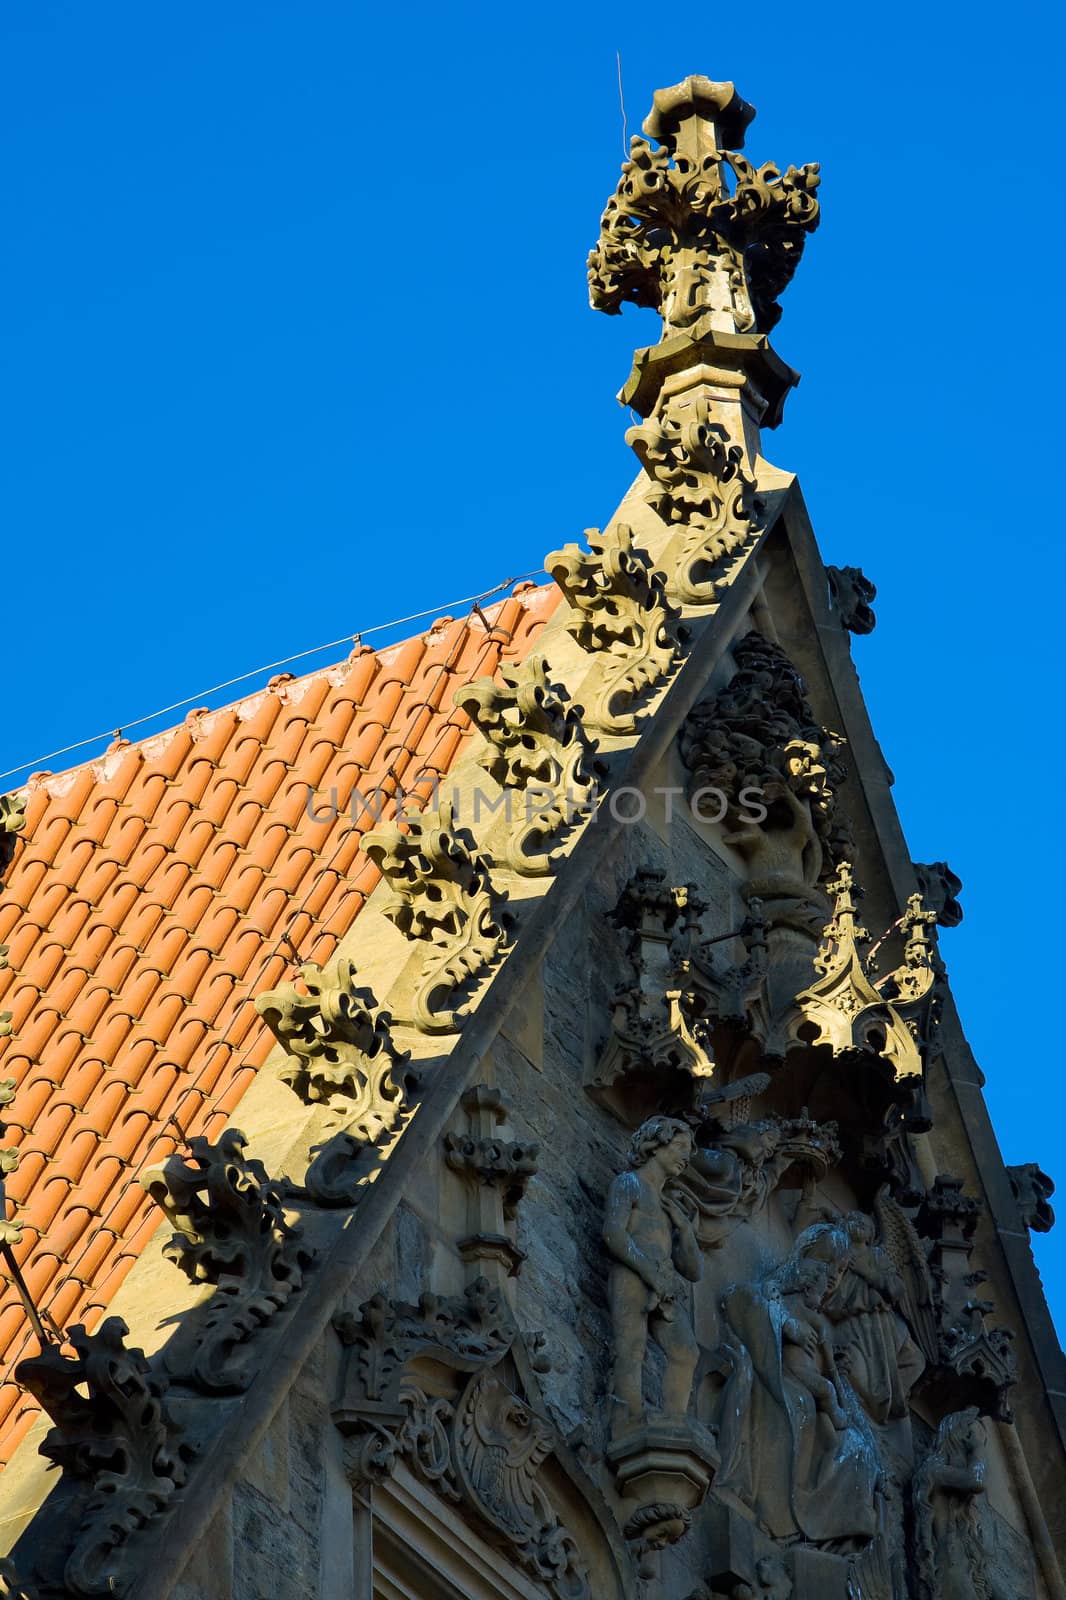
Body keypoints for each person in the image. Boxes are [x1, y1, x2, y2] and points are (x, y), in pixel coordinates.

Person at [602, 1117, 702, 1434]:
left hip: (664, 1284)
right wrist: (648, 1271)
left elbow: (694, 1271)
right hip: (633, 1274)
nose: (686, 1157)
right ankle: (627, 1421)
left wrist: (685, 1230)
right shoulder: (628, 1183)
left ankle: (673, 1423)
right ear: (655, 1145)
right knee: (631, 1348)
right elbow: (613, 1234)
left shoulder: (668, 1206)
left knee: (686, 1350)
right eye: (680, 1147)